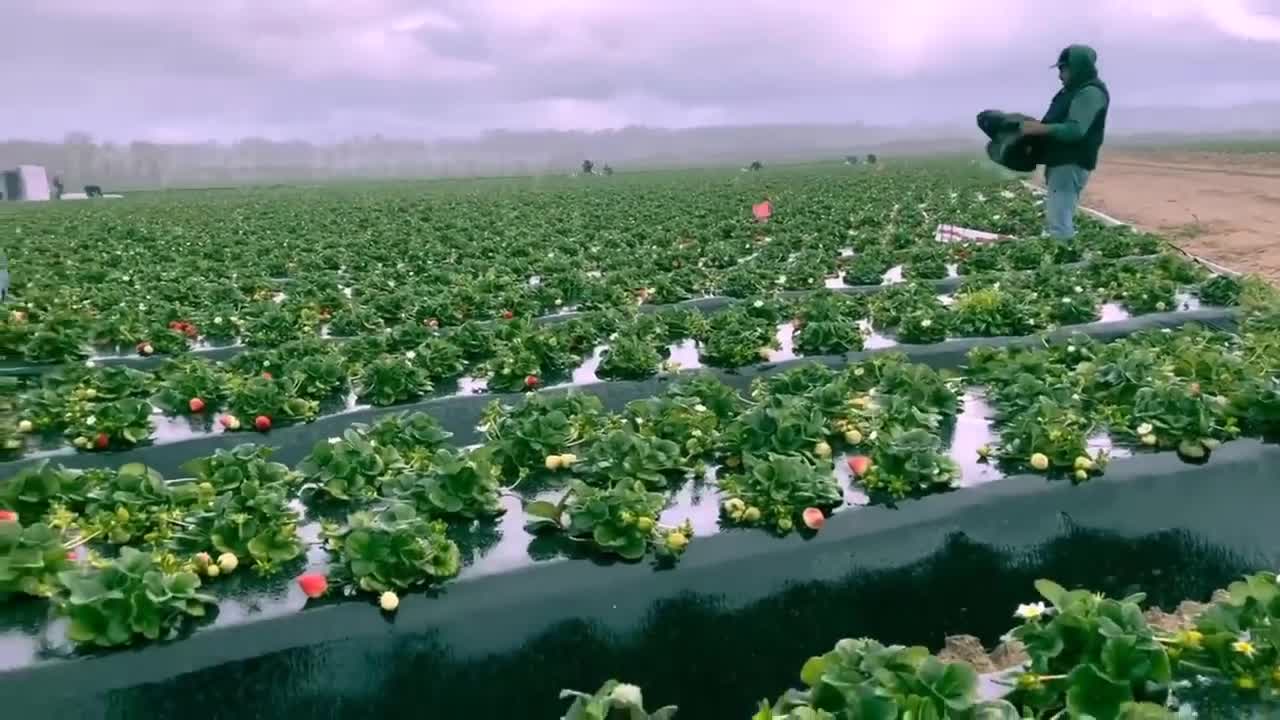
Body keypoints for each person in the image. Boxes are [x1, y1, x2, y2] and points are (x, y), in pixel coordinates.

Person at [1019, 44, 1110, 240]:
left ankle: (1065, 264)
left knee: (1059, 224)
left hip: (1070, 162)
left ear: (1078, 67)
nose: (1060, 75)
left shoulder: (1090, 92)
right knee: (1058, 217)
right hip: (1061, 162)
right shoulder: (1072, 91)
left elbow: (1076, 130)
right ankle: (1062, 255)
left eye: (1063, 69)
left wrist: (1041, 129)